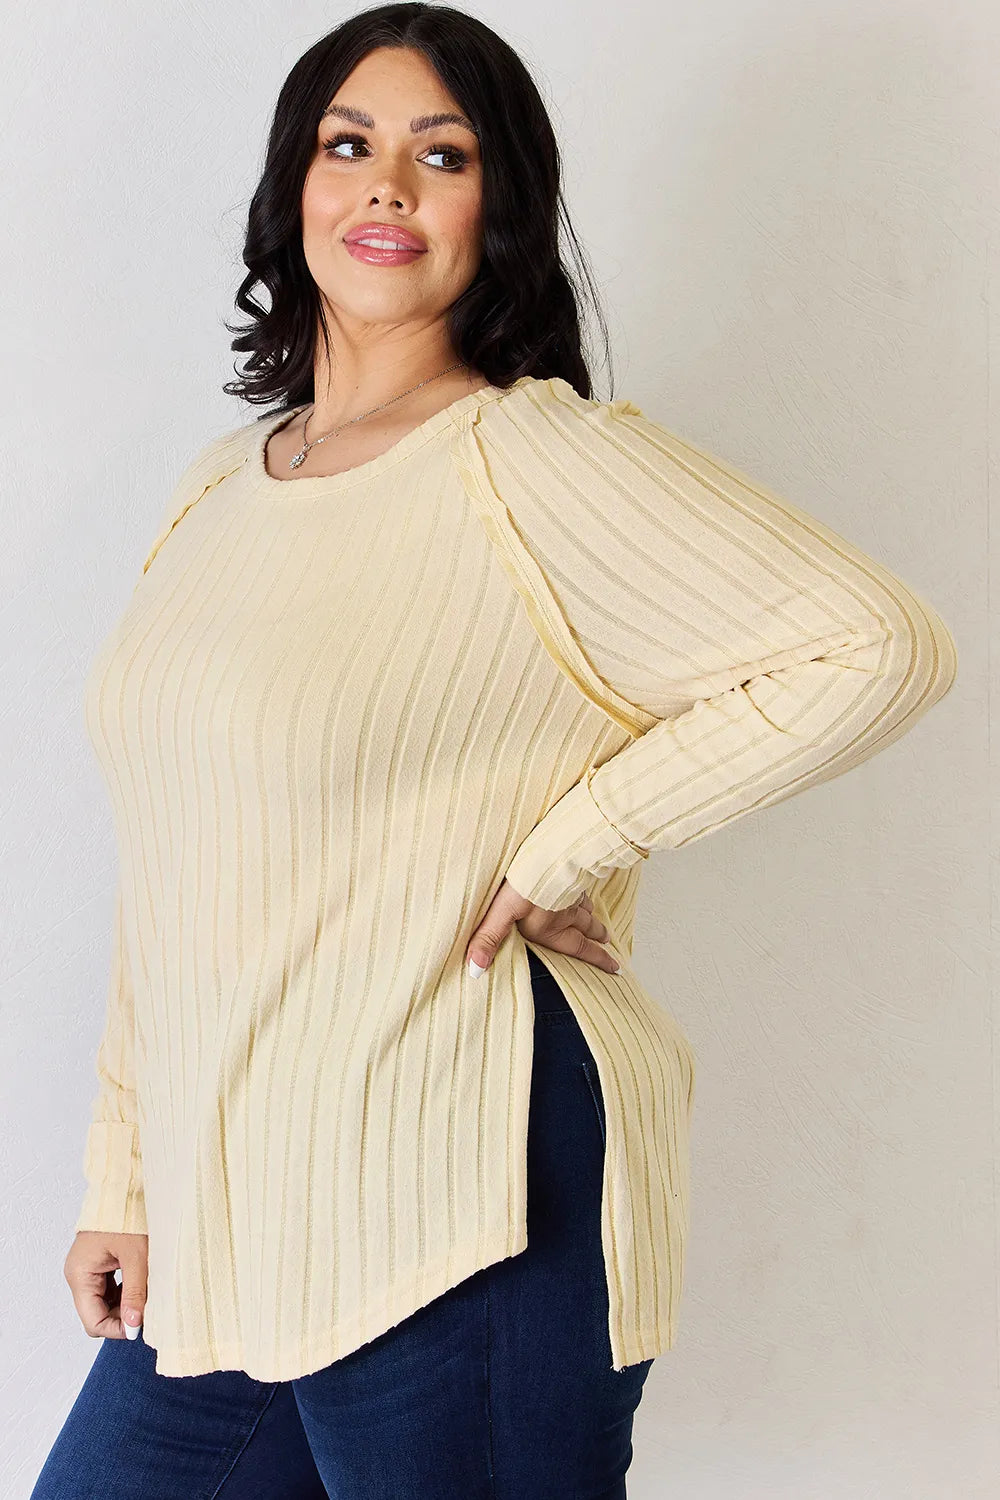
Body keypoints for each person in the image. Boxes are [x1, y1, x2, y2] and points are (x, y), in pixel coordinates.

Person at [32, 4, 957, 1497]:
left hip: (459, 1168)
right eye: (349, 145)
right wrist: (125, 1179)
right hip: (234, 1204)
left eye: (442, 155)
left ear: (500, 206)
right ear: (293, 187)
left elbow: (878, 644)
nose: (387, 186)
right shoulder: (219, 490)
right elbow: (178, 874)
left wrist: (577, 841)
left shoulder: (534, 459)